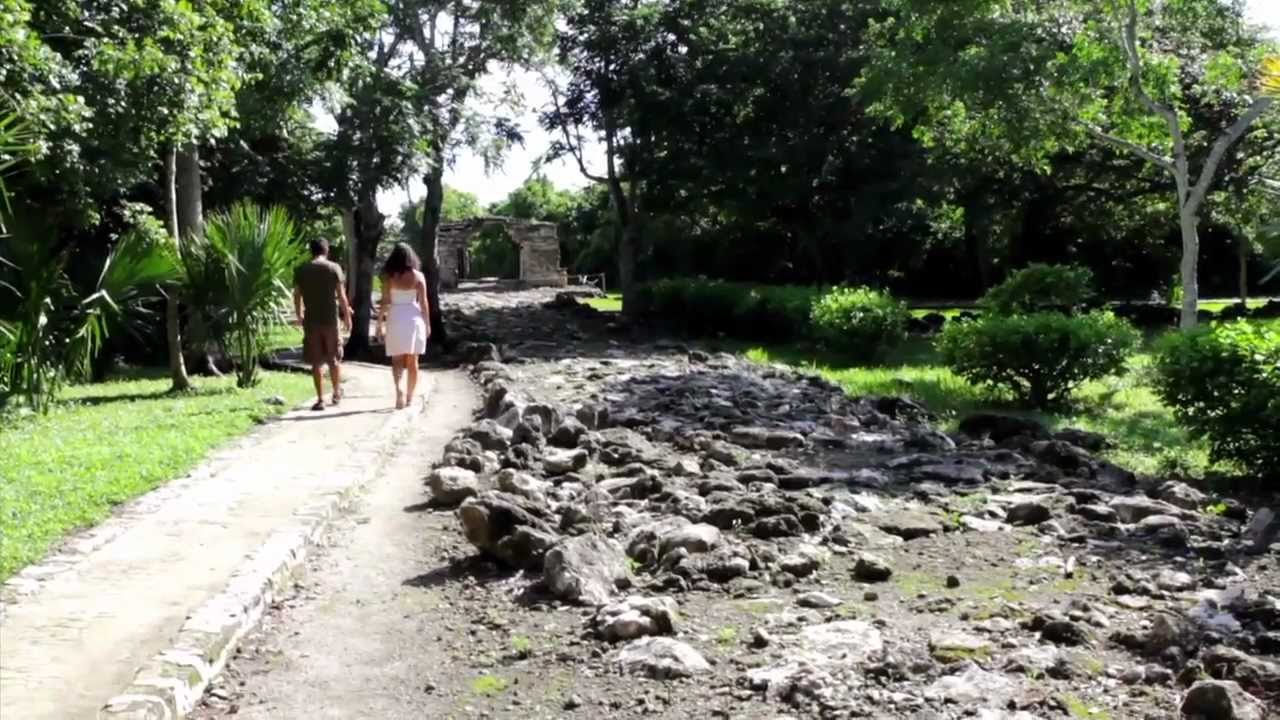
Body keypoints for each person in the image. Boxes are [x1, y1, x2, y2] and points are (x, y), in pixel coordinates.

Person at [293, 238, 352, 411]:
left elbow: (297, 295)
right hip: (330, 320)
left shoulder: (301, 270)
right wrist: (347, 316)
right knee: (334, 359)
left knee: (316, 362)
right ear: (326, 250)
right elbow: (341, 295)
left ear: (311, 251)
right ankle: (335, 392)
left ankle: (320, 399)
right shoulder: (334, 268)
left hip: (311, 320)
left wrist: (299, 314)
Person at [376, 243, 430, 409]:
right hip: (413, 318)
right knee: (413, 360)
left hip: (395, 316)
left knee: (397, 359)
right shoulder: (418, 276)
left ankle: (399, 391)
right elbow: (424, 303)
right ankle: (409, 397)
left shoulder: (389, 277)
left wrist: (379, 323)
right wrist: (427, 323)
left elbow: (385, 302)